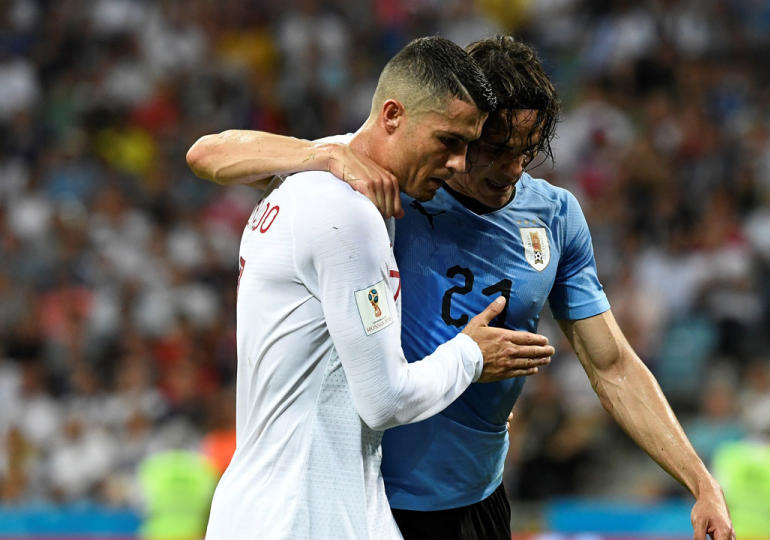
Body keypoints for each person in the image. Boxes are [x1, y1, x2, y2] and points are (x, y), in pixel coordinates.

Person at [188, 36, 733, 540]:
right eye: (493, 148)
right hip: (376, 495)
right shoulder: (391, 182)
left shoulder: (554, 216)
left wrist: (699, 480)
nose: (511, 169)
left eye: (528, 149)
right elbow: (209, 153)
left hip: (478, 498)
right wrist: (324, 154)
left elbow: (612, 365)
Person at [194, 37, 555, 540]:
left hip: (300, 504)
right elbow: (384, 400)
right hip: (301, 516)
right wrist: (471, 356)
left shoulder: (314, 185)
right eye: (448, 141)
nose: (458, 163)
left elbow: (207, 152)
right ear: (392, 116)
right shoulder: (345, 211)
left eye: (468, 146)